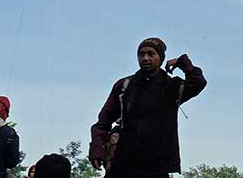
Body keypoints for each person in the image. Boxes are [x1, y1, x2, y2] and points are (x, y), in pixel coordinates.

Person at [89, 37, 207, 177]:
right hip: (123, 165)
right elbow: (103, 122)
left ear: (161, 58)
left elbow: (198, 83)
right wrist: (97, 149)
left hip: (157, 168)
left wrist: (182, 62)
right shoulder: (124, 86)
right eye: (141, 54)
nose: (145, 58)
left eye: (151, 54)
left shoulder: (171, 86)